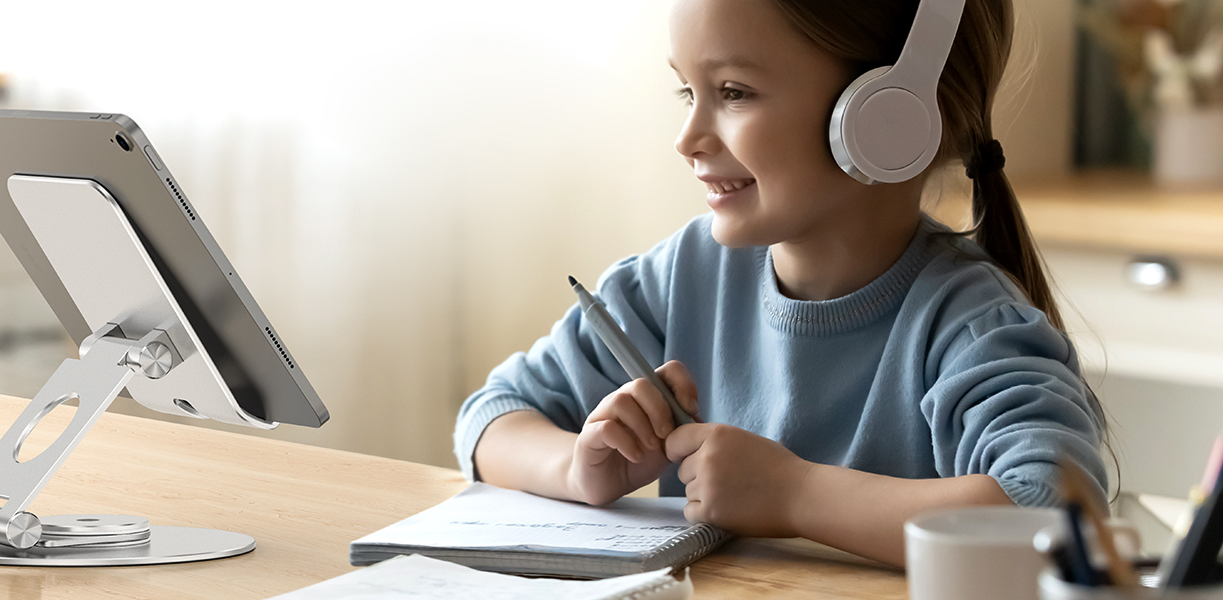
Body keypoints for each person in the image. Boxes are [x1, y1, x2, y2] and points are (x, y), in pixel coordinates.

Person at [453, 0, 1108, 567]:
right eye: (688, 92)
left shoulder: (968, 326)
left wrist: (795, 495)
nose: (688, 138)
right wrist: (579, 468)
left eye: (733, 92)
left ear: (888, 113)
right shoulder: (678, 278)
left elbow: (1055, 513)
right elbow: (491, 420)